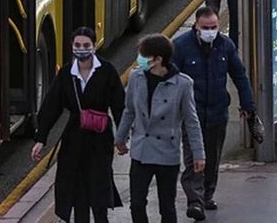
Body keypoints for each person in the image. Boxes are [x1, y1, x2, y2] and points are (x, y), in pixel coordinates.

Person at [32, 27, 125, 223]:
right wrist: (41, 139)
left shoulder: (107, 71)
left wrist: (122, 137)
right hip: (74, 140)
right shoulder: (66, 74)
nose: (81, 49)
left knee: (99, 192)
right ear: (72, 47)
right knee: (78, 194)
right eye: (77, 45)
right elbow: (52, 107)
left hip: (100, 140)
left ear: (93, 46)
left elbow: (119, 105)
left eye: (86, 45)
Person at [172, 6, 256, 221]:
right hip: (192, 115)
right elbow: (170, 80)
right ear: (196, 27)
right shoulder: (181, 47)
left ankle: (207, 194)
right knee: (194, 159)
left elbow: (240, 75)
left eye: (214, 27)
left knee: (212, 158)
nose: (210, 31)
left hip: (218, 112)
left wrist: (248, 105)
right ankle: (195, 200)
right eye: (206, 28)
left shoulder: (225, 45)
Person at [114, 34, 205, 223]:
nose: (139, 59)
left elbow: (191, 121)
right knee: (137, 203)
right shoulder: (136, 77)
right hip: (141, 152)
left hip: (167, 154)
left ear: (158, 59)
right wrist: (120, 138)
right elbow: (129, 110)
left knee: (167, 207)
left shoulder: (182, 84)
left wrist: (198, 154)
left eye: (143, 55)